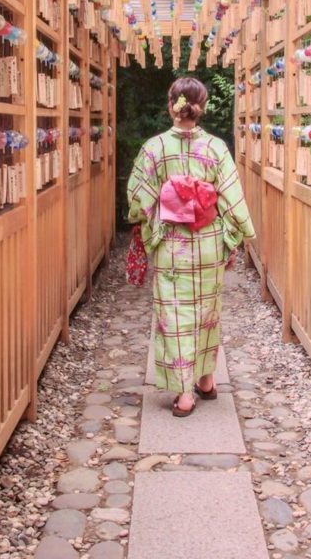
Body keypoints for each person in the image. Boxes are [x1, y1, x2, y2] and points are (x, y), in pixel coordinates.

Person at [126, 77, 255, 416]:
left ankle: (185, 394)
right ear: (203, 106)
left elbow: (138, 196)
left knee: (175, 316)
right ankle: (207, 380)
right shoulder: (215, 148)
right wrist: (234, 237)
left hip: (172, 243)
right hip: (208, 242)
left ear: (172, 105)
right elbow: (232, 199)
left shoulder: (154, 148)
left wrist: (151, 218)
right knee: (207, 312)